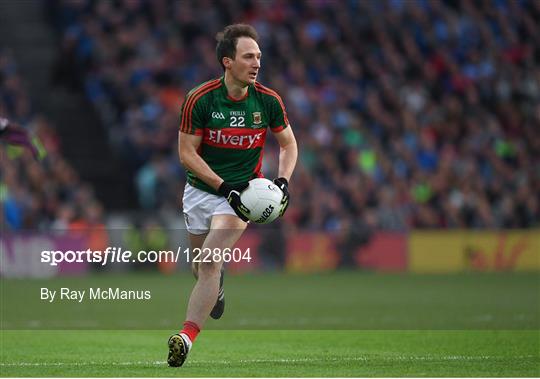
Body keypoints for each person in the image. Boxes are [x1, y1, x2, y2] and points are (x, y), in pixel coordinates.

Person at [167, 24, 298, 367]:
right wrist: (220, 184)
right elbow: (187, 153)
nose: (257, 63)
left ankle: (185, 338)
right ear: (228, 61)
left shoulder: (268, 100)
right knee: (201, 268)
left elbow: (288, 143)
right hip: (200, 192)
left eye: (259, 56)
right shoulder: (200, 98)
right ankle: (217, 289)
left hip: (243, 195)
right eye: (248, 56)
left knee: (209, 261)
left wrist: (283, 181)